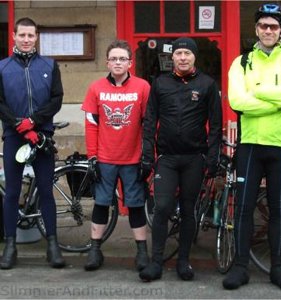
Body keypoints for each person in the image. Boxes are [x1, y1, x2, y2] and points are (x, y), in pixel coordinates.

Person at [223, 3, 281, 291]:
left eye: (273, 26)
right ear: (256, 29)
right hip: (250, 146)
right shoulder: (241, 63)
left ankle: (278, 266)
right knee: (243, 207)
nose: (268, 30)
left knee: (278, 207)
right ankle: (240, 266)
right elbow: (238, 103)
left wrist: (259, 91)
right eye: (263, 25)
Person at [139, 37, 223, 281]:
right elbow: (149, 120)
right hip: (166, 157)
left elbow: (216, 125)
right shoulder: (160, 83)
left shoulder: (207, 84)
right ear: (172, 57)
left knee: (188, 210)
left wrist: (212, 157)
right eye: (179, 53)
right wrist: (147, 153)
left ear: (194, 56)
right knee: (162, 207)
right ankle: (156, 262)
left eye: (187, 53)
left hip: (194, 158)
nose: (183, 57)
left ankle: (183, 261)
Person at [0, 17, 65, 269]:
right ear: (14, 36)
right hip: (15, 137)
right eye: (22, 35)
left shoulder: (49, 65)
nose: (26, 40)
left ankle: (52, 245)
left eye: (31, 35)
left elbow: (57, 99)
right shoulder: (3, 67)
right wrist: (19, 125)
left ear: (36, 37)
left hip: (42, 136)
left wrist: (34, 122)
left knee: (46, 191)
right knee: (12, 193)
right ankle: (10, 246)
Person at [81, 39, 151, 271]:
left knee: (136, 205)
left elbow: (149, 125)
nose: (118, 62)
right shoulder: (95, 88)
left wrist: (148, 155)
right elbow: (91, 125)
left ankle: (141, 251)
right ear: (107, 62)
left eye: (122, 59)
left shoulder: (142, 87)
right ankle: (94, 250)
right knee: (101, 204)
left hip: (133, 159)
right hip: (105, 159)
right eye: (114, 59)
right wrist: (92, 157)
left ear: (130, 63)